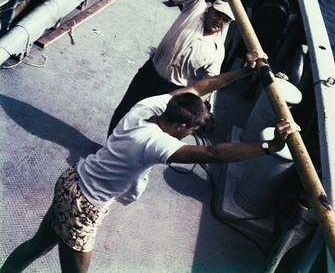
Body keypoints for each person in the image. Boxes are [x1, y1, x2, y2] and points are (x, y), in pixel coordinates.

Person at [0, 49, 301, 273]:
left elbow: (200, 87)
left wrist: (244, 72)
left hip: (73, 179)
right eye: (191, 132)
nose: (189, 137)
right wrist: (270, 146)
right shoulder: (156, 143)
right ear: (182, 127)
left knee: (37, 244)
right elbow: (214, 154)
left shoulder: (150, 106)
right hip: (85, 205)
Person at [107, 0, 234, 136]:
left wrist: (194, 105)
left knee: (152, 129)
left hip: (172, 92)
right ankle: (106, 147)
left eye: (225, 20)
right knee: (125, 113)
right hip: (149, 74)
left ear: (228, 24)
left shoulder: (217, 50)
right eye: (217, 14)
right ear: (210, 9)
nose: (219, 21)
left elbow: (209, 83)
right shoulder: (194, 10)